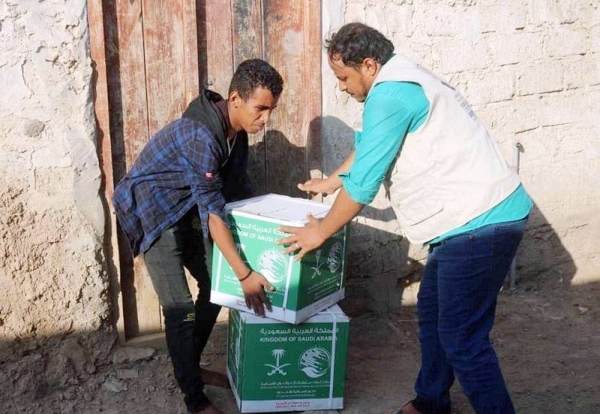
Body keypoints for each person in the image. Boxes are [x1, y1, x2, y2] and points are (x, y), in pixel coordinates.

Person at [277, 23, 532, 414]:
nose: (342, 88)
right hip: (467, 222)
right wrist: (333, 181)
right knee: (431, 314)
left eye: (344, 78)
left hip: (482, 223)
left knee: (463, 339)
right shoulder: (398, 79)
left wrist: (320, 232)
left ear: (368, 64)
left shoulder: (391, 94)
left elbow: (363, 186)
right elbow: (370, 145)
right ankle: (431, 401)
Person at [112, 59, 283, 414]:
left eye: (271, 110)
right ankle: (193, 397)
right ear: (236, 98)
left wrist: (270, 229)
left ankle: (189, 367)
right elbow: (213, 214)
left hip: (184, 209)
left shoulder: (236, 136)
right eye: (261, 108)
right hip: (154, 211)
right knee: (181, 310)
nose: (266, 119)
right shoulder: (201, 135)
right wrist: (246, 275)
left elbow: (235, 194)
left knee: (214, 287)